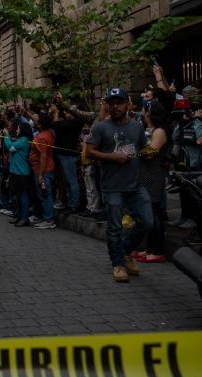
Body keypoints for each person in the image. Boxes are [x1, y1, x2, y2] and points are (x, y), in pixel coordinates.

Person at [86, 87, 153, 283]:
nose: (115, 107)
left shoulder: (137, 126)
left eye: (119, 103)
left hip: (135, 185)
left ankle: (124, 252)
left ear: (128, 104)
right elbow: (89, 151)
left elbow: (142, 147)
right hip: (112, 186)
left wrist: (148, 152)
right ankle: (118, 264)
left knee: (147, 221)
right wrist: (112, 157)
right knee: (115, 227)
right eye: (112, 103)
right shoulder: (100, 128)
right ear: (107, 105)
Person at [133, 101, 171, 262]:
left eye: (144, 109)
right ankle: (148, 248)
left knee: (154, 212)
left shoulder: (160, 131)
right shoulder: (146, 129)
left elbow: (151, 152)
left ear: (150, 112)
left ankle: (157, 250)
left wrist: (133, 150)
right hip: (143, 173)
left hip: (154, 174)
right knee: (146, 212)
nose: (142, 112)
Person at [29, 113, 56, 229]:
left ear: (40, 124)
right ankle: (45, 217)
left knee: (45, 195)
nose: (34, 121)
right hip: (44, 169)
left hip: (43, 170)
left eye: (37, 120)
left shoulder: (42, 137)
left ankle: (49, 220)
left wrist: (41, 174)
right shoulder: (49, 132)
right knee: (44, 194)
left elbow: (43, 156)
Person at [4, 120, 33, 227]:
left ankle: (25, 218)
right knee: (18, 196)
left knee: (23, 196)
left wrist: (6, 135)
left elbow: (10, 147)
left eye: (18, 128)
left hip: (21, 172)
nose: (17, 129)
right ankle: (20, 216)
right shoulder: (20, 139)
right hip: (16, 171)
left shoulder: (24, 140)